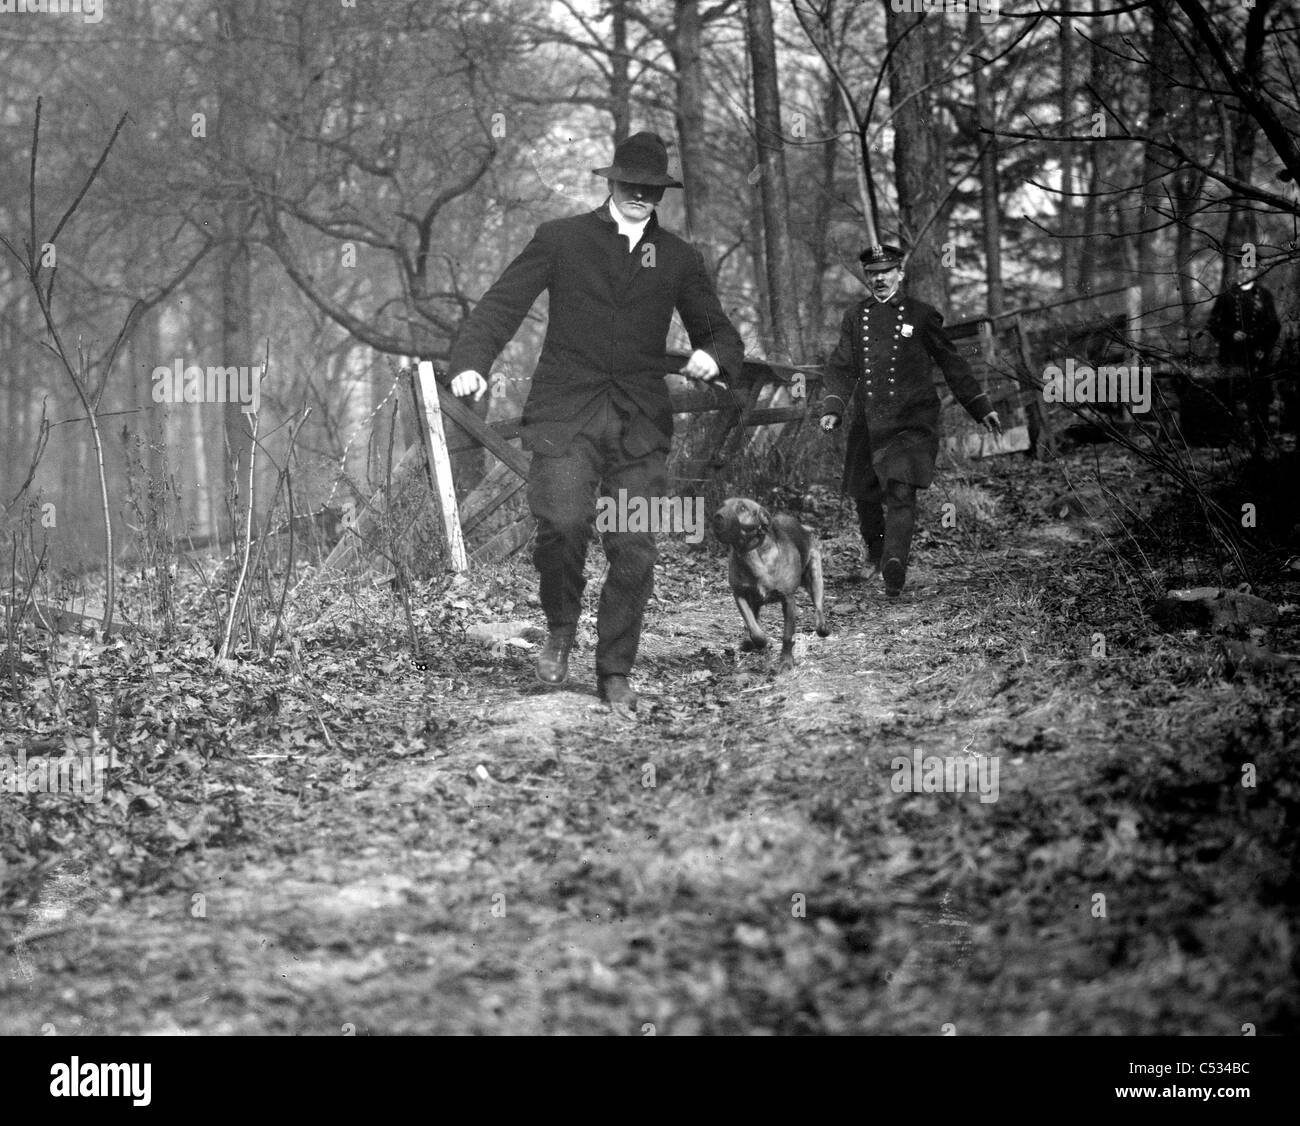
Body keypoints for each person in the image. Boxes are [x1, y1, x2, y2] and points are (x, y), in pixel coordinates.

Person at [448, 131, 744, 712]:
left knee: (634, 545)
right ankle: (561, 627)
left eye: (653, 189)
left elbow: (719, 331)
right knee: (560, 525)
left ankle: (614, 670)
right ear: (610, 182)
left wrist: (715, 356)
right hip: (566, 413)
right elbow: (501, 305)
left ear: (662, 192)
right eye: (632, 184)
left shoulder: (679, 257)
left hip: (638, 424)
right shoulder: (562, 239)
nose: (641, 195)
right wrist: (470, 362)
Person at [819, 244, 1001, 598]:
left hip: (911, 422)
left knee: (901, 490)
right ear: (866, 278)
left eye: (886, 272)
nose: (879, 279)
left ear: (900, 274)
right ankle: (876, 555)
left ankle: (894, 563)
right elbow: (841, 367)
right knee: (865, 495)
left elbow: (952, 363)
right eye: (872, 274)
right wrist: (833, 408)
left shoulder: (921, 315)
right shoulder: (856, 317)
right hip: (869, 422)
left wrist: (980, 406)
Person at [1205, 263, 1281, 454]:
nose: (1244, 272)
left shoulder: (1264, 296)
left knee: (1259, 399)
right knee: (1228, 398)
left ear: (1255, 271)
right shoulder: (1226, 296)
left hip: (1257, 356)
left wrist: (1262, 347)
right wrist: (1230, 334)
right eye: (1241, 268)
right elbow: (1213, 324)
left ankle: (1261, 442)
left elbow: (1274, 326)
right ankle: (1229, 444)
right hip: (1231, 355)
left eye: (1249, 268)